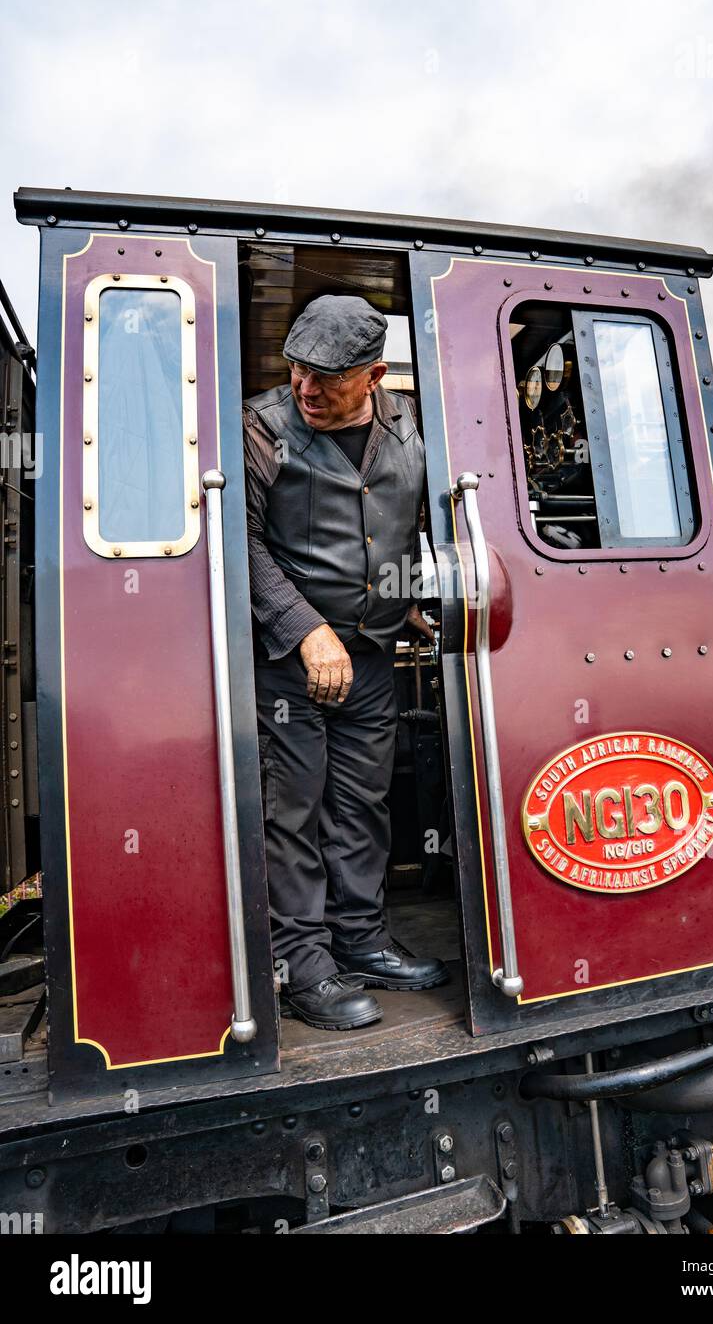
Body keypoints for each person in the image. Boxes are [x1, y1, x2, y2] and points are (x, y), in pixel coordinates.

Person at [243, 294, 448, 1031]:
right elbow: (242, 543)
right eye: (296, 372)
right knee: (290, 810)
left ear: (375, 376)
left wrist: (422, 594)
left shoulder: (416, 426)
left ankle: (360, 941)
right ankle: (302, 966)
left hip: (373, 651)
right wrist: (306, 629)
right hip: (287, 660)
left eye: (326, 379)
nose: (305, 391)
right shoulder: (260, 427)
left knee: (362, 803)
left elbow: (429, 520)